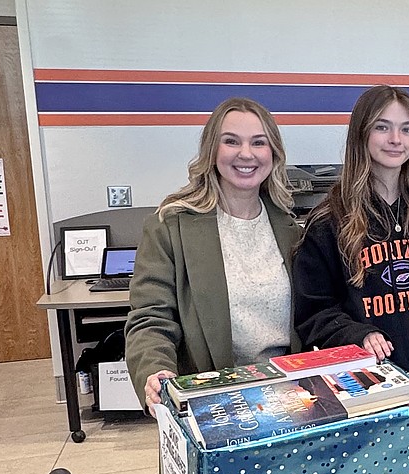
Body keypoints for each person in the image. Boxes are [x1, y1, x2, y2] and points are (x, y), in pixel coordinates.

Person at [292, 84, 409, 431]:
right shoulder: (329, 220)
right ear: (361, 134)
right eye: (382, 126)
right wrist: (356, 333)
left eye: (406, 129)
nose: (396, 138)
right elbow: (313, 313)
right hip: (367, 407)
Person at [125, 97, 301, 410]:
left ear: (272, 153)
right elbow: (150, 319)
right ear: (211, 150)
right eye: (231, 141)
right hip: (213, 404)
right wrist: (154, 370)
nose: (246, 153)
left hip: (289, 400)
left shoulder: (290, 228)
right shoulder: (170, 227)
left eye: (258, 142)